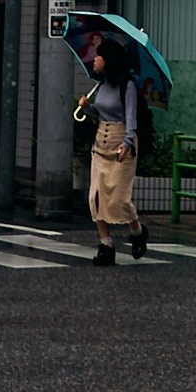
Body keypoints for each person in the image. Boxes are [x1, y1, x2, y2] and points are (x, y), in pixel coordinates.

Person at [76, 40, 147, 265]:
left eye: (98, 56)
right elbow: (101, 112)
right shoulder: (102, 84)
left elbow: (131, 118)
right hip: (101, 144)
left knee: (119, 199)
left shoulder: (127, 86)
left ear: (108, 61)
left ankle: (137, 231)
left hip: (120, 144)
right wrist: (88, 107)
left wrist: (127, 143)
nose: (94, 60)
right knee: (95, 197)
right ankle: (105, 245)